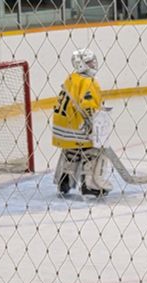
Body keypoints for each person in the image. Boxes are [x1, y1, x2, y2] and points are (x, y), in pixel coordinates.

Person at [51, 48, 106, 197]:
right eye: (89, 62)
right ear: (81, 64)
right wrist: (92, 125)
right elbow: (88, 105)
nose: (93, 64)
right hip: (75, 125)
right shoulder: (88, 81)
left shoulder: (72, 77)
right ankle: (90, 184)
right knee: (93, 151)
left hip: (60, 126)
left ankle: (65, 180)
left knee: (72, 150)